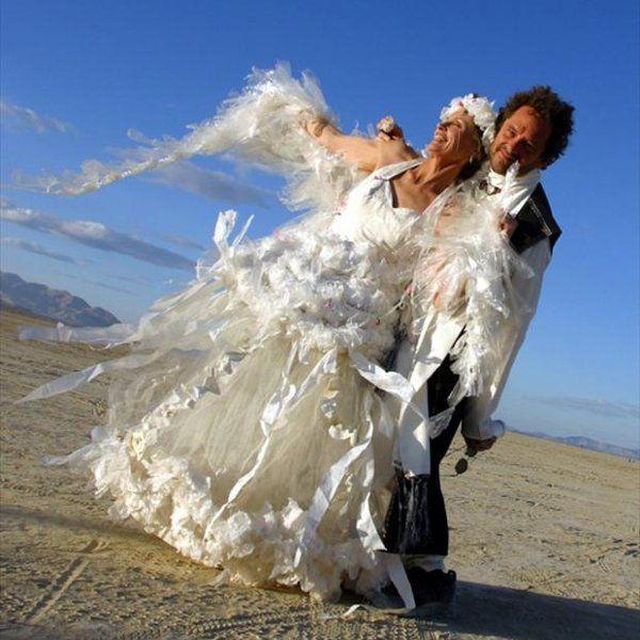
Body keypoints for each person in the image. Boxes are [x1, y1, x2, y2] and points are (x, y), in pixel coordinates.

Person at [20, 66, 508, 611]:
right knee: (255, 400)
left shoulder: (455, 212)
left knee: (315, 427)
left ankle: (288, 532)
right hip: (302, 291)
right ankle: (223, 501)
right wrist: (297, 114)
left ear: (476, 149)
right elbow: (327, 140)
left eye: (458, 125)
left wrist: (492, 240)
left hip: (357, 327)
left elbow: (458, 270)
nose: (443, 127)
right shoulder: (390, 157)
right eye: (444, 118)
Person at [375, 87, 575, 607]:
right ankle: (381, 559)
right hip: (410, 328)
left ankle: (425, 573)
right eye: (511, 132)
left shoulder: (534, 225)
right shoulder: (473, 174)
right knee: (387, 441)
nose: (514, 146)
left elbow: (513, 324)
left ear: (546, 157)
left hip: (455, 356)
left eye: (529, 144)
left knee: (418, 450)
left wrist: (481, 416)